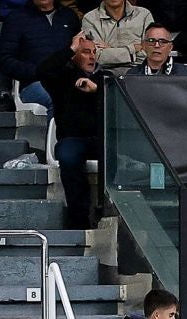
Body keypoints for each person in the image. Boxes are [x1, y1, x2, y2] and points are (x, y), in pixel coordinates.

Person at [38, 34, 110, 230]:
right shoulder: (61, 78)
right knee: (68, 157)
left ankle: (108, 213)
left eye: (94, 52)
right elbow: (43, 70)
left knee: (118, 155)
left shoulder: (106, 79)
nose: (92, 57)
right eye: (86, 52)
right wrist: (70, 48)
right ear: (74, 55)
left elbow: (123, 100)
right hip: (73, 139)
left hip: (104, 139)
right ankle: (78, 217)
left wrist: (98, 90)